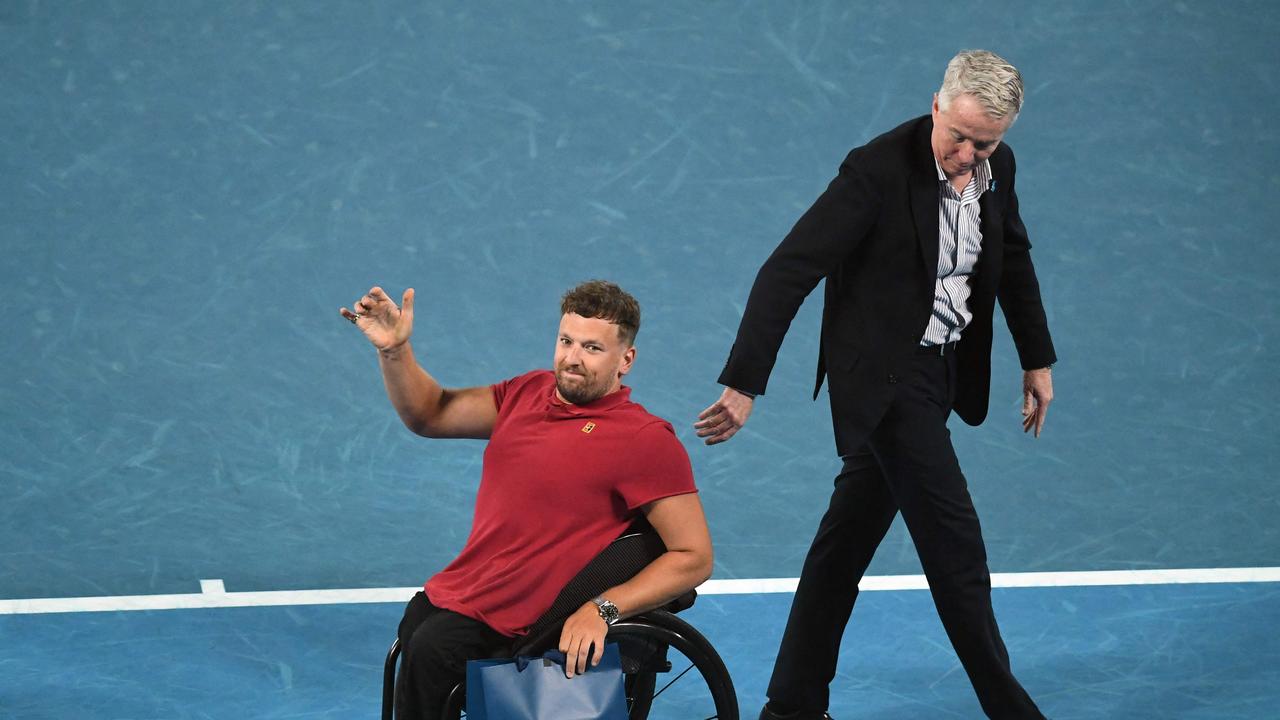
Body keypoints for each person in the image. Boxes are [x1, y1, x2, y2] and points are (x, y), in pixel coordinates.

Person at [694, 50, 1056, 719]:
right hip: (885, 384)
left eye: (988, 143)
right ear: (937, 106)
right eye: (960, 138)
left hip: (939, 373)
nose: (969, 156)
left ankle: (792, 706)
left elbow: (1014, 257)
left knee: (844, 547)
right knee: (957, 552)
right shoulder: (876, 172)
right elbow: (788, 270)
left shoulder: (995, 169)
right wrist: (745, 382)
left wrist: (1037, 359)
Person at [342, 280, 713, 720]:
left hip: (531, 621)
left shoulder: (645, 441)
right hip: (470, 591)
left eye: (592, 348)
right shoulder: (526, 393)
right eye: (566, 341)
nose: (572, 358)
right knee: (419, 626)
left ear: (625, 360)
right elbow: (431, 413)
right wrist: (394, 352)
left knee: (431, 650)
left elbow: (693, 556)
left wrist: (603, 608)